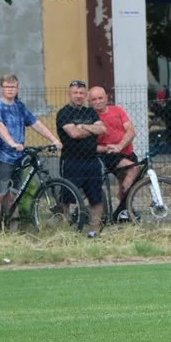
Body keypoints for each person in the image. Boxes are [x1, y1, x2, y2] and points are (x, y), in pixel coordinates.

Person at [0, 74, 62, 237]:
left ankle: (13, 234)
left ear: (17, 89)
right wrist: (12, 143)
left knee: (13, 195)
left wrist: (54, 139)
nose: (10, 90)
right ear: (1, 88)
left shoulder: (19, 106)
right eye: (7, 87)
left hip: (17, 158)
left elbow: (36, 124)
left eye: (13, 87)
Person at [57, 81, 107, 237]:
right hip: (72, 161)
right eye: (75, 93)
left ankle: (94, 231)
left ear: (85, 95)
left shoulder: (90, 112)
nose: (78, 96)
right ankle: (64, 231)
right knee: (67, 199)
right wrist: (91, 129)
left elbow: (102, 129)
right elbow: (74, 134)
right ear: (69, 94)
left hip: (92, 160)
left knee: (96, 198)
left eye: (81, 93)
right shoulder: (64, 113)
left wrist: (83, 127)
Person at [89, 86, 140, 210]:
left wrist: (120, 146)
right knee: (134, 169)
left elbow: (131, 131)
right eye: (94, 99)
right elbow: (90, 145)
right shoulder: (90, 117)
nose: (98, 101)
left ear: (106, 97)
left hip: (126, 151)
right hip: (109, 155)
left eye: (100, 98)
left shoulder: (118, 110)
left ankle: (122, 212)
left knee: (126, 184)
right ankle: (124, 209)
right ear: (89, 102)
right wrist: (106, 149)